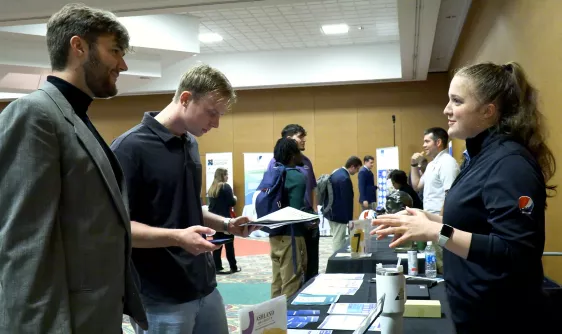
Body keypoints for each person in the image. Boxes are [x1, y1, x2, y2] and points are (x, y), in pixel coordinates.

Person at [372, 62, 555, 333]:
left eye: (456, 101)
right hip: (472, 309)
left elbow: (515, 252)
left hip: (500, 318)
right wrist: (427, 219)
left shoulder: (510, 163)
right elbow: (475, 225)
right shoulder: (480, 156)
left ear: (488, 112)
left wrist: (437, 231)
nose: (446, 110)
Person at [0, 4, 148, 332]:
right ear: (78, 46)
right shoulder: (33, 115)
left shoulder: (74, 117)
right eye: (114, 51)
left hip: (97, 315)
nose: (122, 64)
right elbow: (24, 246)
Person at [111, 64, 255, 334]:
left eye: (220, 115)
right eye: (212, 113)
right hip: (160, 295)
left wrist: (227, 224)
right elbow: (117, 227)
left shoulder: (190, 143)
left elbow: (187, 208)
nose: (216, 123)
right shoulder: (129, 148)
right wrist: (178, 237)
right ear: (186, 99)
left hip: (204, 286)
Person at [267, 124, 319, 282]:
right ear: (289, 139)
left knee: (311, 265)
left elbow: (313, 187)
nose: (304, 140)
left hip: (308, 217)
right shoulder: (276, 163)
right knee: (292, 273)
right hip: (292, 224)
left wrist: (315, 212)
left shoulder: (306, 161)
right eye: (300, 137)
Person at [269, 137, 308, 298]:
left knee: (277, 282)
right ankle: (289, 322)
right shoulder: (297, 176)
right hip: (292, 234)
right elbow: (296, 211)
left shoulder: (272, 173)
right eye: (299, 152)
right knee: (292, 282)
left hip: (274, 233)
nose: (302, 156)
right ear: (292, 156)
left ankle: (274, 322)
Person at [410, 127, 459, 215]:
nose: (423, 145)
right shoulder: (431, 164)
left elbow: (450, 195)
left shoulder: (447, 162)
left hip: (440, 216)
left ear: (438, 142)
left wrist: (440, 220)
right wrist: (413, 164)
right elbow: (417, 186)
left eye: (427, 141)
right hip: (430, 214)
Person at [324, 156, 363, 252]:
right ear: (352, 166)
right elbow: (347, 200)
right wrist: (348, 219)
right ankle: (336, 260)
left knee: (336, 237)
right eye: (357, 168)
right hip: (339, 214)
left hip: (331, 211)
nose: (357, 171)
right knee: (338, 240)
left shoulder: (336, 172)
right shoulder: (344, 178)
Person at [208, 167, 240, 274]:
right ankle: (233, 267)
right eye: (226, 174)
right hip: (226, 220)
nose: (228, 176)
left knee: (217, 244)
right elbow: (231, 202)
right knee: (229, 244)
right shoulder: (226, 187)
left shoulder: (212, 188)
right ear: (222, 175)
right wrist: (235, 198)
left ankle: (217, 266)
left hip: (214, 221)